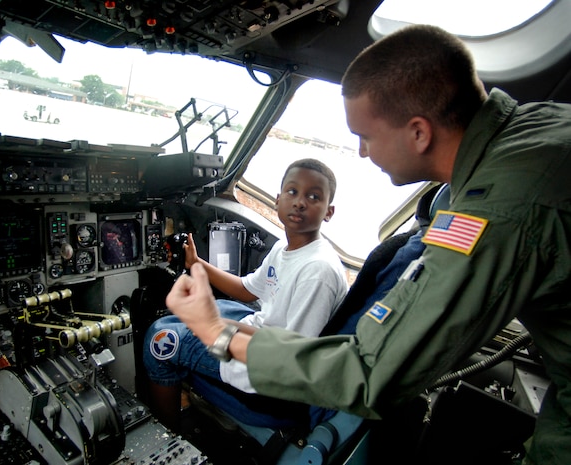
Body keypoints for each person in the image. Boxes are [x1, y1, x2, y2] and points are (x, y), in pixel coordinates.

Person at [164, 24, 571, 465]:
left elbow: (370, 373)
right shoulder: (537, 129)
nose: (360, 152)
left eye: (366, 136)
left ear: (418, 132)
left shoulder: (500, 209)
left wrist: (216, 332)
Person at [143, 158, 349, 431]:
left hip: (266, 373)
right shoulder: (286, 248)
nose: (300, 202)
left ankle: (168, 435)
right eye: (292, 192)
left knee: (160, 338)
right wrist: (196, 264)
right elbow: (245, 289)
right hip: (263, 335)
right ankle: (183, 395)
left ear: (328, 212)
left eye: (313, 196)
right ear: (277, 200)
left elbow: (291, 356)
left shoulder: (318, 271)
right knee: (189, 315)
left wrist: (221, 329)